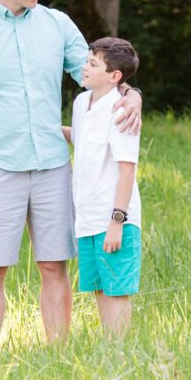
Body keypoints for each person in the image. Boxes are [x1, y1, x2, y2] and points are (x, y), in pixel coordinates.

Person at [0, 0, 141, 348]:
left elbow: (97, 77)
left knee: (55, 266)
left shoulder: (57, 25)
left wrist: (133, 94)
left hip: (52, 167)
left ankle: (58, 355)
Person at [67, 37, 143, 337]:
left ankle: (120, 350)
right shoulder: (80, 102)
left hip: (114, 217)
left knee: (117, 288)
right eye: (87, 60)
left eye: (93, 64)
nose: (84, 67)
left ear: (115, 76)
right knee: (99, 286)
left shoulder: (122, 110)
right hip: (86, 216)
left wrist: (117, 221)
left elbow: (127, 169)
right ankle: (108, 347)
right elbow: (82, 139)